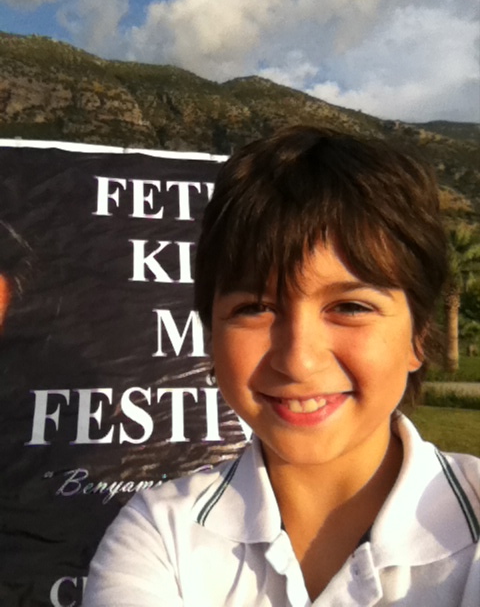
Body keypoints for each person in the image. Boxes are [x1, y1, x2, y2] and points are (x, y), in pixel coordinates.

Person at [84, 126, 479, 606]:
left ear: (418, 336)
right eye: (255, 308)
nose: (298, 360)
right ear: (212, 336)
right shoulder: (162, 534)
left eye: (350, 307)